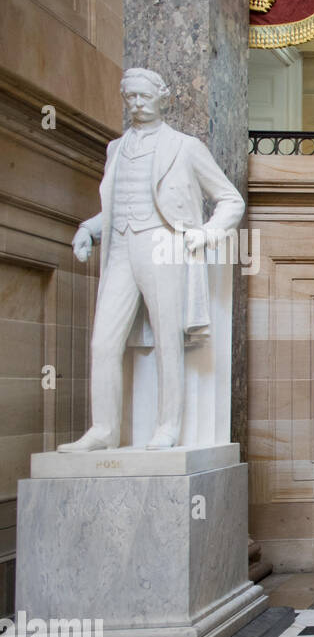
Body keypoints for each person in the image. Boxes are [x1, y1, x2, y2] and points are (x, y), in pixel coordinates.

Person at [59, 67, 244, 452]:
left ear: (163, 96)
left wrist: (206, 234)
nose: (137, 104)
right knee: (103, 342)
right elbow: (112, 206)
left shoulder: (185, 146)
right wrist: (87, 230)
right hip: (121, 248)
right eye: (130, 97)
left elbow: (231, 199)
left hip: (163, 245)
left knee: (167, 339)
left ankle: (167, 426)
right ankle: (103, 430)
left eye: (144, 96)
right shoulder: (116, 148)